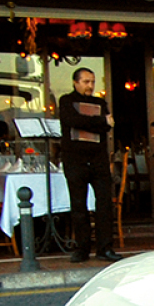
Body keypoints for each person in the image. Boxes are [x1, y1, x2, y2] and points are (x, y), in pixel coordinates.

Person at [57, 67, 120, 263]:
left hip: (98, 159)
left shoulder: (100, 102)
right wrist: (99, 120)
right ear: (75, 82)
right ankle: (82, 248)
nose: (90, 86)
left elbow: (108, 126)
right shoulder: (67, 101)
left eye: (92, 82)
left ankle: (105, 248)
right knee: (78, 205)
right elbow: (72, 120)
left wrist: (97, 122)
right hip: (75, 160)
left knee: (104, 204)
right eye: (86, 82)